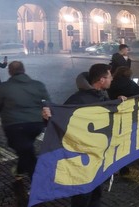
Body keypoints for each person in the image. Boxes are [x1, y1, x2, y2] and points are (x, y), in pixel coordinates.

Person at [42, 63, 118, 207]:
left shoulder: (102, 96)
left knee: (96, 194)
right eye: (109, 76)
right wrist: (48, 116)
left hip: (98, 157)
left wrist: (120, 102)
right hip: (83, 159)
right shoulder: (80, 99)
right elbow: (61, 118)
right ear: (101, 80)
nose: (112, 79)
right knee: (83, 196)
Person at [0, 61, 50, 181]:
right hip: (36, 125)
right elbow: (48, 104)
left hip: (14, 127)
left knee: (27, 153)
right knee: (26, 149)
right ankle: (20, 171)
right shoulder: (38, 85)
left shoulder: (3, 88)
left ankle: (38, 183)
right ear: (23, 70)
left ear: (10, 72)